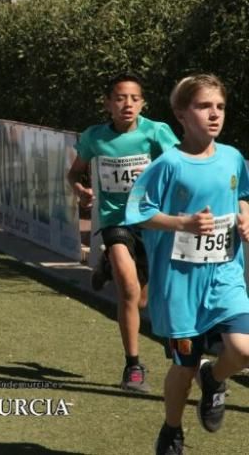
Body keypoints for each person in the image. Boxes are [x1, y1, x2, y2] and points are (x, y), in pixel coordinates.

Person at [124, 74, 249, 455]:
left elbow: (243, 194)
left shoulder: (232, 157)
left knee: (244, 350)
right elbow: (138, 212)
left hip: (225, 274)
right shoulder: (169, 165)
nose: (214, 115)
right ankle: (172, 430)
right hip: (180, 285)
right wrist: (183, 222)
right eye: (203, 106)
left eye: (220, 107)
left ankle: (215, 377)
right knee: (185, 366)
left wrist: (245, 215)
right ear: (181, 113)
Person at [67, 74, 179, 394]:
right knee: (128, 291)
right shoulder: (94, 137)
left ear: (143, 103)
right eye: (119, 98)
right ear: (107, 103)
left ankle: (105, 264)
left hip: (152, 223)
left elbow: (180, 166)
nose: (126, 104)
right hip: (114, 219)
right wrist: (81, 189)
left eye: (133, 98)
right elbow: (74, 172)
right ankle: (133, 366)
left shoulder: (156, 133)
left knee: (142, 300)